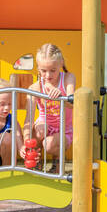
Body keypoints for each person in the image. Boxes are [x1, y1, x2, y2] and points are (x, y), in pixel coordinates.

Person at [22, 44, 75, 172]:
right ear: (38, 68)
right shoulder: (35, 88)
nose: (47, 75)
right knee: (38, 130)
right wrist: (26, 143)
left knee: (49, 144)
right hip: (45, 124)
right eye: (43, 70)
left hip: (64, 129)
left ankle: (57, 163)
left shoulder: (68, 78)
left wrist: (62, 97)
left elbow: (73, 104)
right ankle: (37, 161)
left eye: (53, 70)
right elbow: (28, 119)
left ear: (61, 64)